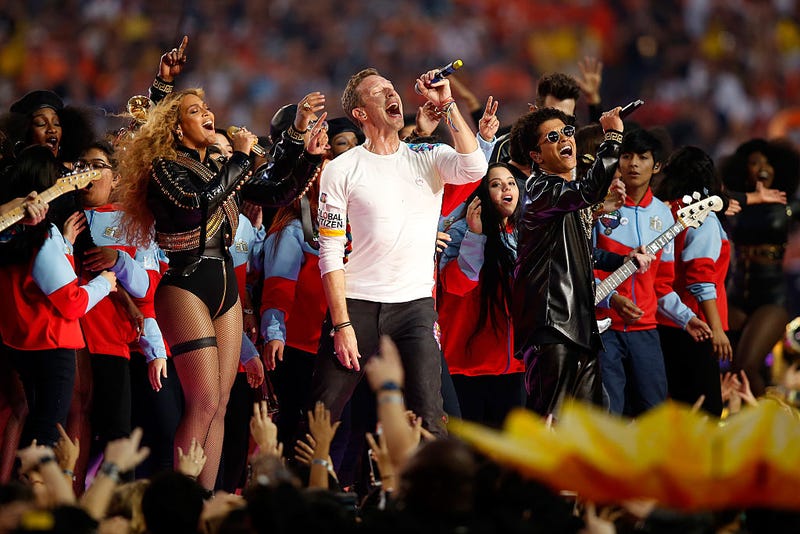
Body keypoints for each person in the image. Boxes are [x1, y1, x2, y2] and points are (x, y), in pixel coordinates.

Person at [116, 83, 327, 488]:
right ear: (177, 129)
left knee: (223, 404)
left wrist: (303, 149)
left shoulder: (218, 165)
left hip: (225, 282)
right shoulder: (165, 168)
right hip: (184, 285)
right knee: (204, 401)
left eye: (207, 106)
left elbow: (276, 191)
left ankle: (206, 501)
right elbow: (198, 203)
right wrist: (243, 157)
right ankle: (182, 500)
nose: (208, 113)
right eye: (196, 111)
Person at [311, 67, 488, 437]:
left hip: (414, 308)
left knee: (430, 417)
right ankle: (302, 491)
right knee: (321, 417)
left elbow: (475, 166)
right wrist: (341, 323)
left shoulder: (428, 156)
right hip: (356, 303)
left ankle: (424, 494)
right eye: (379, 92)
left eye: (393, 88)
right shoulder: (341, 169)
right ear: (360, 113)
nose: (392, 95)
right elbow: (328, 251)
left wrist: (448, 103)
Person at [0, 146, 116, 447]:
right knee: (48, 432)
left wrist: (65, 243)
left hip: (20, 341)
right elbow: (72, 303)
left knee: (36, 426)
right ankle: (38, 493)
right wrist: (105, 283)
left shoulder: (14, 232)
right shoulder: (42, 233)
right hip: (52, 343)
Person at [511, 106, 623, 417]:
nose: (565, 139)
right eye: (552, 136)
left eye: (567, 132)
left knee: (588, 427)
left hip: (579, 326)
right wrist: (612, 137)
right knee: (550, 422)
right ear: (536, 155)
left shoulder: (563, 195)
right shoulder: (540, 189)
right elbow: (588, 189)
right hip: (553, 325)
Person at [594, 129, 712, 416]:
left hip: (645, 331)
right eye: (626, 156)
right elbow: (582, 267)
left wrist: (687, 318)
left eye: (643, 157)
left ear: (656, 166)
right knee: (610, 416)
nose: (633, 163)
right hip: (603, 329)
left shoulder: (665, 215)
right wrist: (612, 300)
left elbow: (662, 285)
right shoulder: (597, 209)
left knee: (654, 414)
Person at [438, 163, 526, 427]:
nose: (506, 189)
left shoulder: (525, 233)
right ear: (482, 195)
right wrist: (476, 237)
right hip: (468, 365)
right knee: (469, 454)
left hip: (515, 366)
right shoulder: (459, 231)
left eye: (510, 183)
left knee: (508, 454)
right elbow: (457, 286)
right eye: (496, 184)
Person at [654, 146, 731, 416]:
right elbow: (700, 279)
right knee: (706, 413)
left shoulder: (663, 213)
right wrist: (717, 329)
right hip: (697, 325)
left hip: (664, 319)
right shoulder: (704, 218)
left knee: (679, 410)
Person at [719, 139, 800, 395]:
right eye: (754, 163)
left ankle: (769, 424)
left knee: (746, 367)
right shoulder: (734, 203)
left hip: (771, 299)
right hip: (735, 294)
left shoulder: (787, 206)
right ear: (744, 170)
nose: (762, 167)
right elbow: (708, 196)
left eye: (767, 163)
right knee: (729, 368)